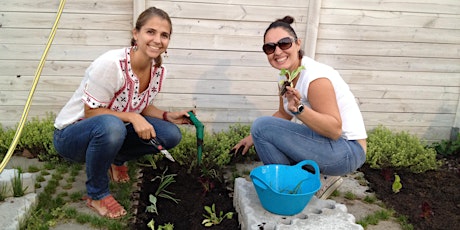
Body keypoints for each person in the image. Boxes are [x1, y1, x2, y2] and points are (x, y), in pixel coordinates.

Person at [53, 7, 193, 219]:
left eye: (164, 35)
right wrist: (133, 117)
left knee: (170, 134)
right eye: (151, 32)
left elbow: (140, 104)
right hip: (72, 136)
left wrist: (167, 115)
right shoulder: (112, 64)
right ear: (135, 34)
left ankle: (116, 159)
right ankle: (97, 194)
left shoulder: (157, 70)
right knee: (112, 127)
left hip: (111, 128)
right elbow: (91, 112)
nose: (157, 40)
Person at [231, 16, 367, 200]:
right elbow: (283, 114)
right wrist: (251, 137)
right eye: (270, 48)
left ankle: (291, 190)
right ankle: (304, 182)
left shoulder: (315, 79)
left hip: (348, 151)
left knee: (262, 127)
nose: (277, 52)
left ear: (297, 44)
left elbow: (335, 130)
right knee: (262, 132)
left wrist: (300, 110)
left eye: (284, 44)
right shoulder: (285, 76)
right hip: (331, 146)